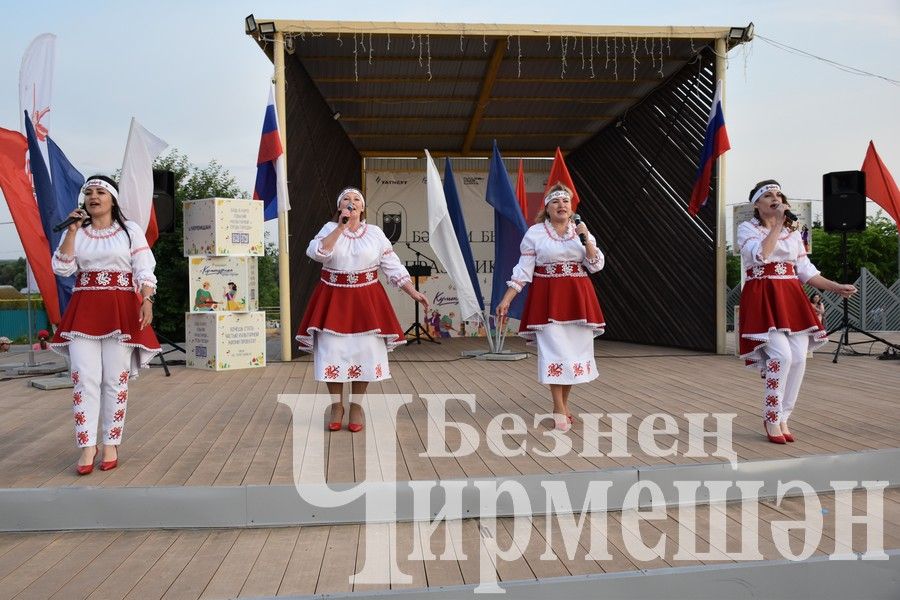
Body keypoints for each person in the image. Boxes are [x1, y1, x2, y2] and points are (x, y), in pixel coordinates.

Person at [49, 175, 161, 474]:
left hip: (120, 308)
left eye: (100, 192)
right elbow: (62, 268)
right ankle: (87, 446)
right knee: (83, 377)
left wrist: (147, 299)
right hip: (84, 308)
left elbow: (143, 268)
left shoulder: (129, 230)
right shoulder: (77, 231)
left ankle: (111, 442)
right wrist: (72, 231)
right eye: (89, 193)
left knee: (115, 379)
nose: (93, 197)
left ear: (112, 199)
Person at [296, 187, 429, 432]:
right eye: (346, 199)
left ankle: (356, 405)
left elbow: (393, 266)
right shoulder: (329, 229)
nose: (351, 202)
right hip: (333, 298)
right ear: (340, 207)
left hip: (367, 300)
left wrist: (413, 291)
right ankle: (337, 406)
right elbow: (317, 253)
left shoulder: (376, 234)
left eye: (356, 199)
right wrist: (340, 228)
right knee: (331, 352)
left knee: (364, 352)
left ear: (363, 207)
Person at [737, 180, 856, 444]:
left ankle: (784, 416)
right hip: (763, 297)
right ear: (756, 204)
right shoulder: (746, 229)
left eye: (778, 194)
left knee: (800, 359)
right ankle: (770, 416)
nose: (774, 198)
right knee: (781, 356)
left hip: (791, 298)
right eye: (767, 195)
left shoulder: (793, 233)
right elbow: (761, 256)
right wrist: (777, 224)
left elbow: (806, 271)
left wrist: (836, 287)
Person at [496, 184, 606, 432]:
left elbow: (596, 265)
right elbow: (523, 271)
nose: (561, 205)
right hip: (548, 299)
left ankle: (564, 407)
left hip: (578, 299)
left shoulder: (581, 233)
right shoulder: (535, 233)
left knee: (573, 355)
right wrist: (507, 299)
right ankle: (558, 408)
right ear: (546, 208)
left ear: (571, 207)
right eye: (555, 202)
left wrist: (586, 238)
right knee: (555, 353)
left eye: (565, 201)